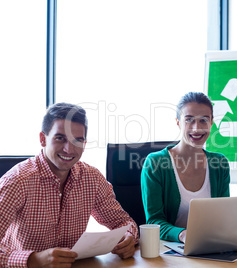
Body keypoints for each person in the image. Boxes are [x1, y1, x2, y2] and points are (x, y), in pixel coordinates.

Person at [0, 103, 139, 267]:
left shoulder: (92, 178)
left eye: (77, 140)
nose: (69, 149)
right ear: (43, 139)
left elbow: (123, 222)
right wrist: (33, 260)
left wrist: (128, 237)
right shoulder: (17, 181)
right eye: (60, 138)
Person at [141, 92, 230, 243]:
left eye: (203, 120)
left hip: (210, 245)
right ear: (178, 122)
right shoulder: (155, 163)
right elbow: (154, 221)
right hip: (170, 250)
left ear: (211, 123)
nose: (197, 129)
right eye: (189, 120)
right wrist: (183, 235)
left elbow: (223, 214)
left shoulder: (219, 163)